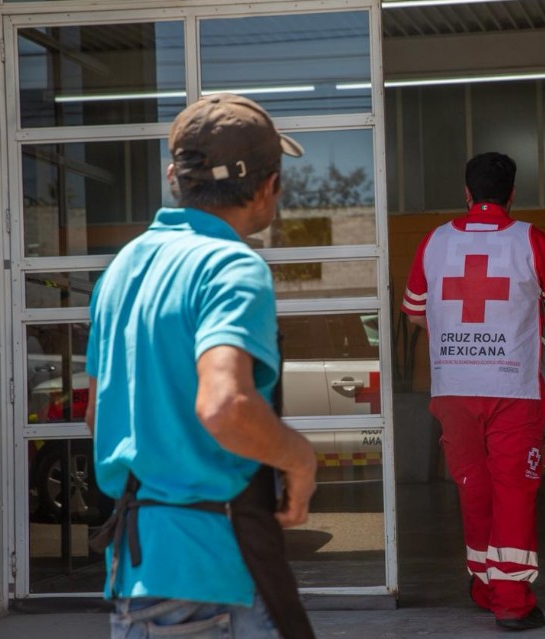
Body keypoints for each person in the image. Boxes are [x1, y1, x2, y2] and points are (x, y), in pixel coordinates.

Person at [85, 93, 318, 639]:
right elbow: (224, 405)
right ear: (268, 186)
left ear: (175, 177)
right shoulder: (232, 266)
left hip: (138, 571)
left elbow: (97, 415)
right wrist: (300, 460)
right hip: (214, 571)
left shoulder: (122, 268)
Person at [401, 152, 545, 631]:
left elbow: (415, 314)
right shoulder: (531, 240)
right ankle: (513, 603)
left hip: (453, 387)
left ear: (466, 193)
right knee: (514, 490)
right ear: (512, 194)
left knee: (473, 486)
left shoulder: (434, 242)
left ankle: (484, 585)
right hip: (512, 386)